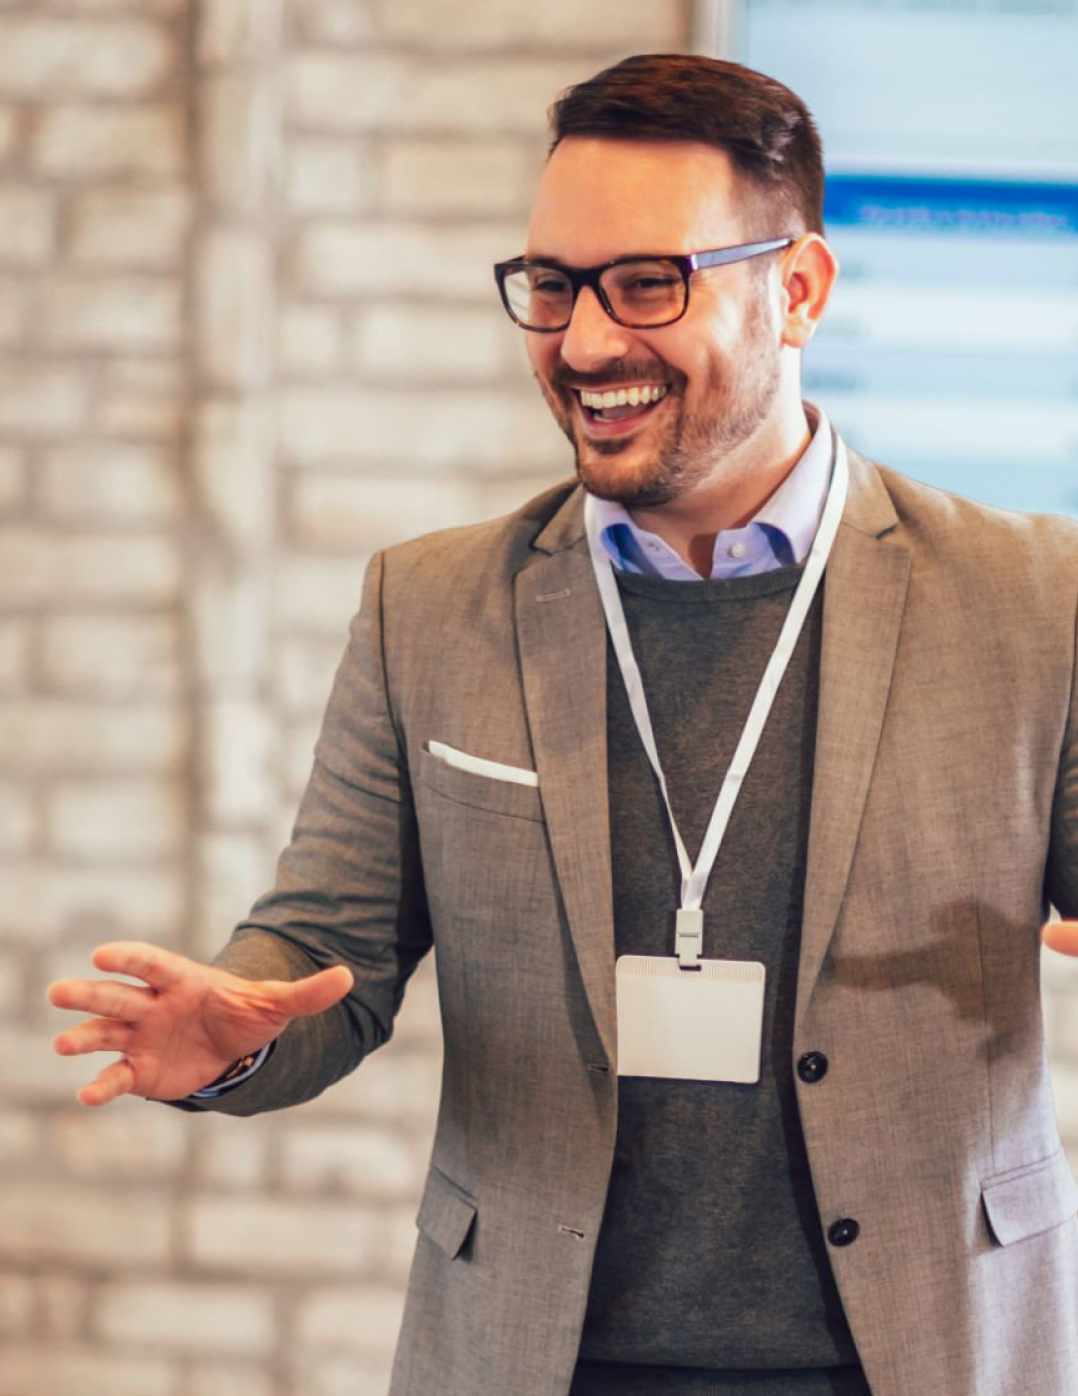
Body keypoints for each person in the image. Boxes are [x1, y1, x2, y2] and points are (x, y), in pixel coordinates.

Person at [48, 53, 1078, 1396]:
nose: (586, 342)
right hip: (540, 1355)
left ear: (800, 290)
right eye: (553, 284)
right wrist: (230, 1043)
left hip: (925, 1344)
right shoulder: (429, 606)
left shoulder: (1031, 597)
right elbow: (324, 949)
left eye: (649, 282)